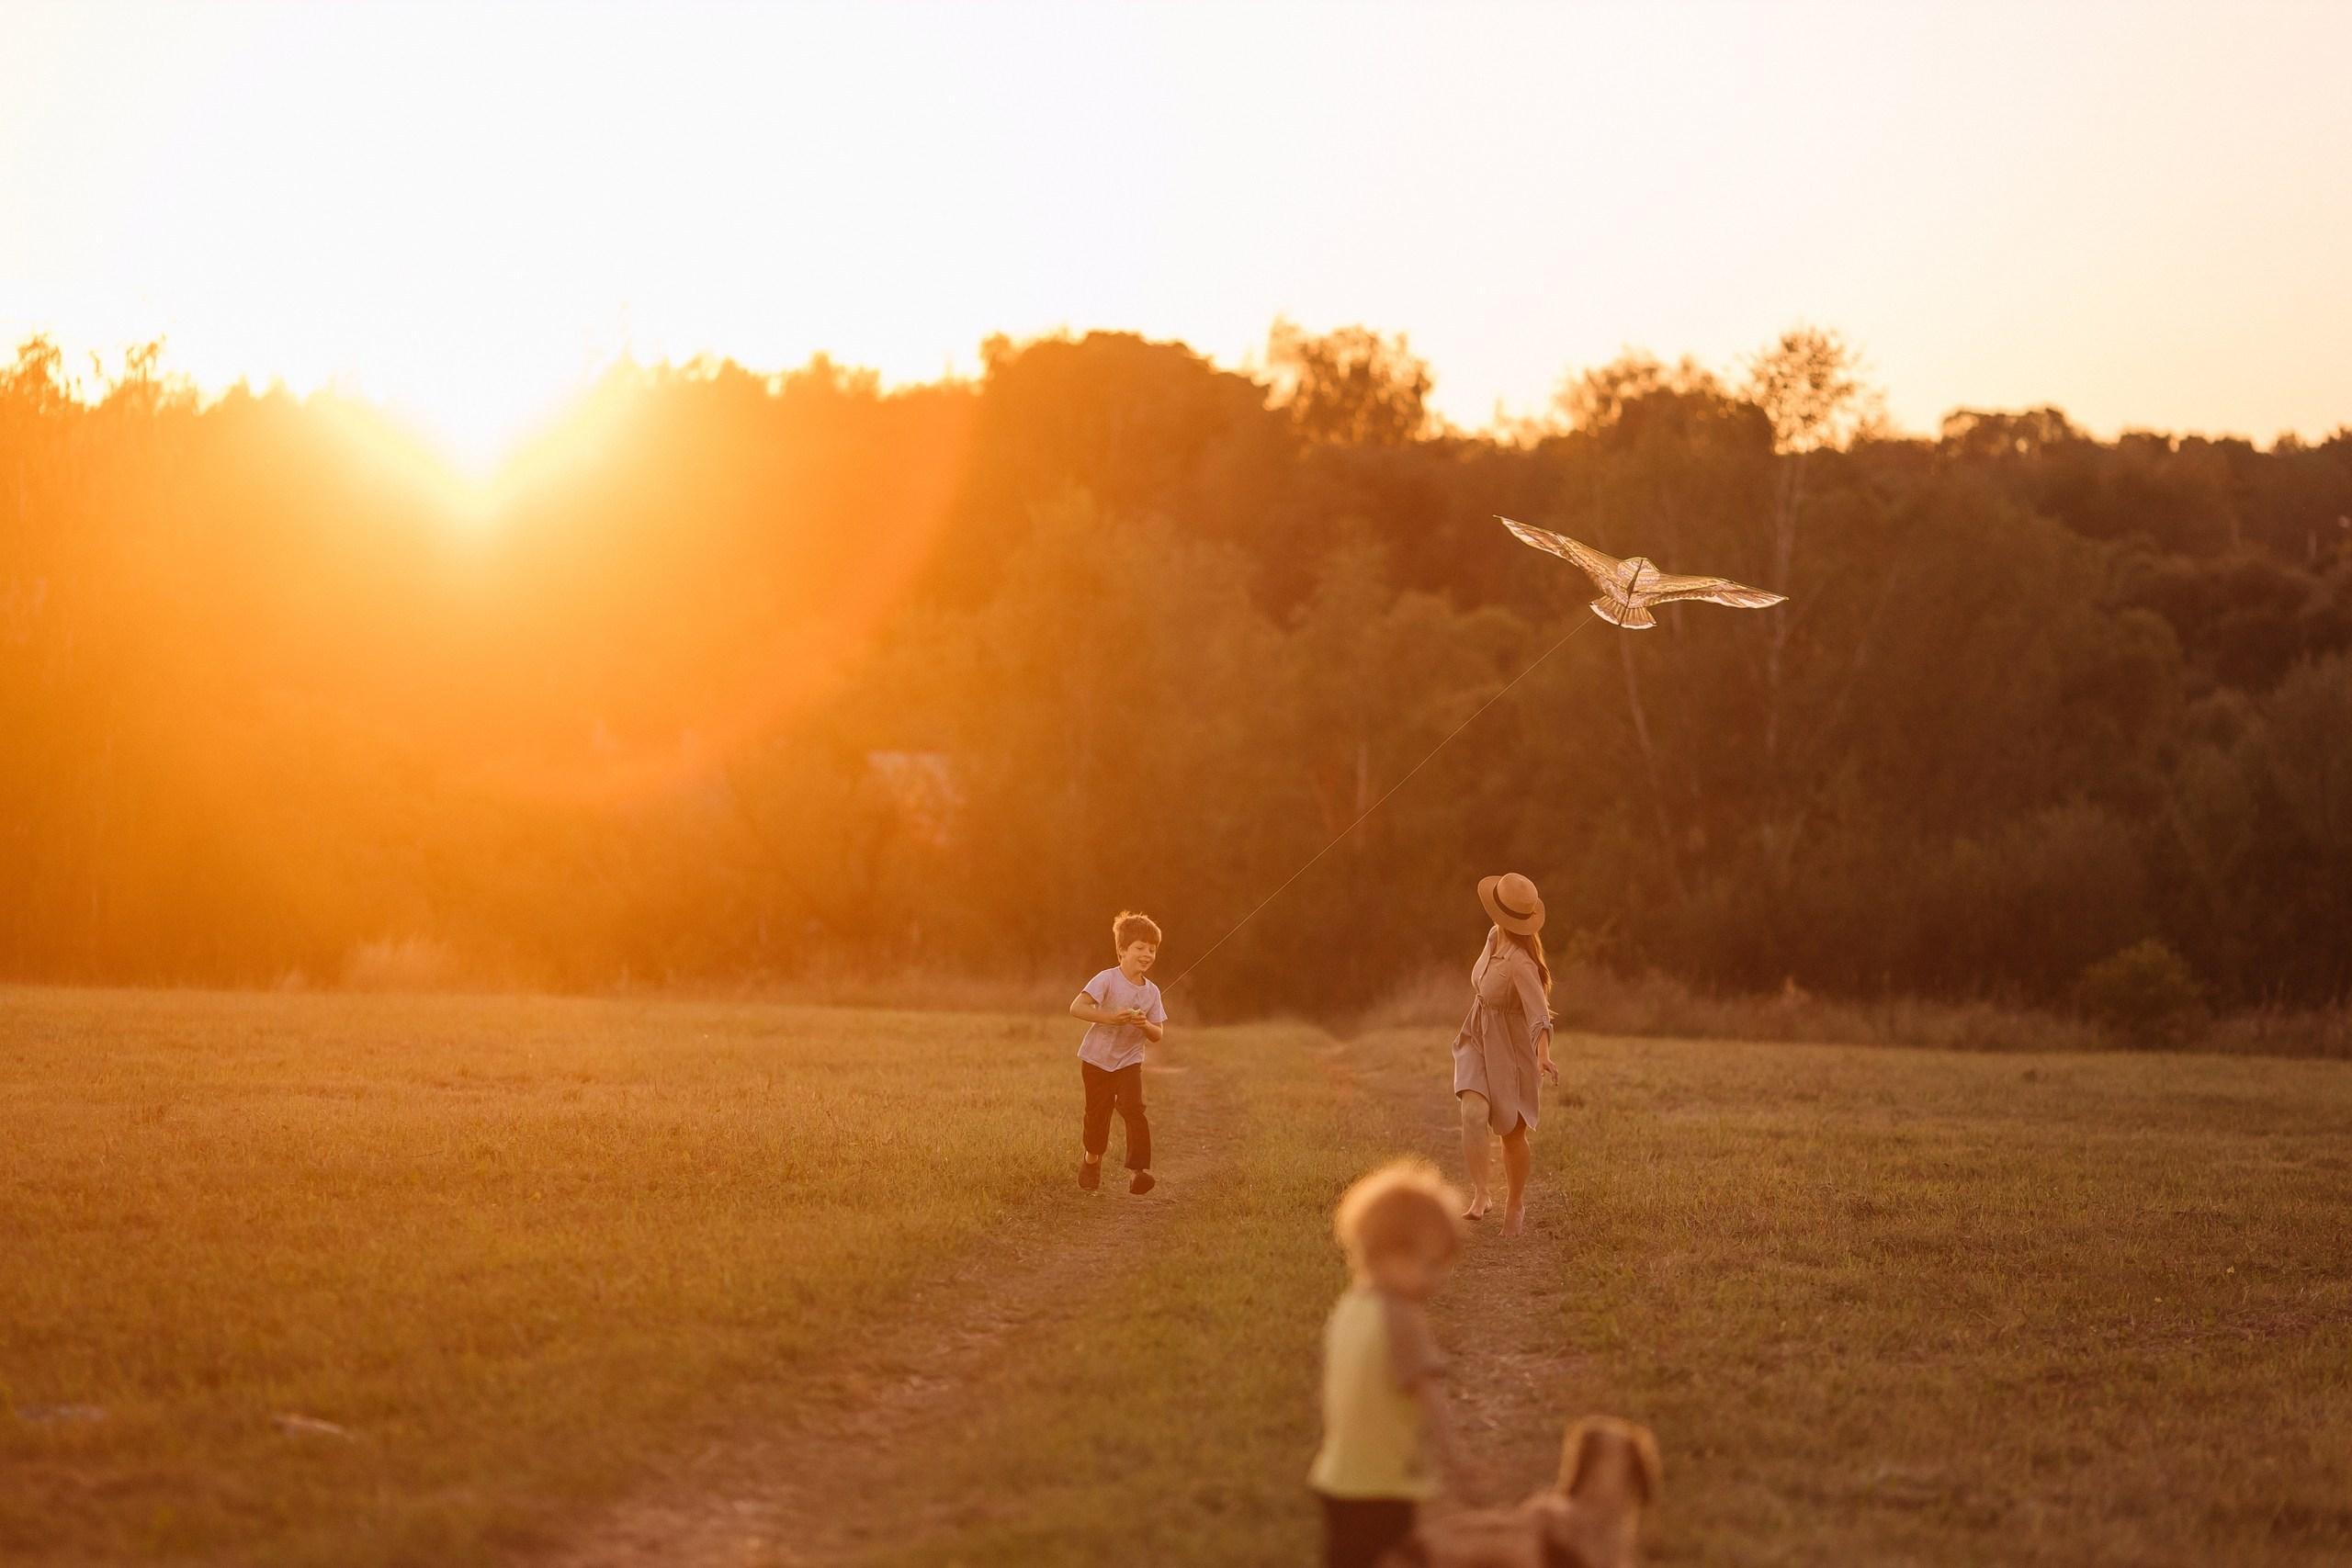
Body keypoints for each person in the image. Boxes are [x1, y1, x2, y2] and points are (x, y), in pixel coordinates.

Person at [1308, 1160, 1469, 1568]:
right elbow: (1430, 1394)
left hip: (1337, 1478)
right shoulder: (1401, 1317)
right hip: (1385, 1487)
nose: (1438, 1280)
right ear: (1391, 1254)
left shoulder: (1349, 1308)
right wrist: (1457, 1461)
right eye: (1431, 1265)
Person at [1453, 873, 1559, 1235]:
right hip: (1476, 1035)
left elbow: (1539, 1014)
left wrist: (1543, 1055)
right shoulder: (1493, 935)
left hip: (1511, 1052)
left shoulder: (1522, 963)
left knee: (1512, 1135)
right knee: (1472, 1112)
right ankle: (1482, 1194)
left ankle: (1515, 1204)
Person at [1068, 909, 1165, 1194]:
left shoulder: (1152, 992)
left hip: (1128, 1061)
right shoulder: (1107, 979)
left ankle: (1138, 1172)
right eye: (1140, 948)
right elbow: (1076, 1008)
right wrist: (1111, 1018)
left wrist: (1144, 1024)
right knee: (1097, 1115)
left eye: (1152, 949)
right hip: (1096, 1060)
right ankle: (1092, 1159)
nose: (1147, 954)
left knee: (1134, 1109)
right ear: (1122, 950)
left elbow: (1158, 1034)